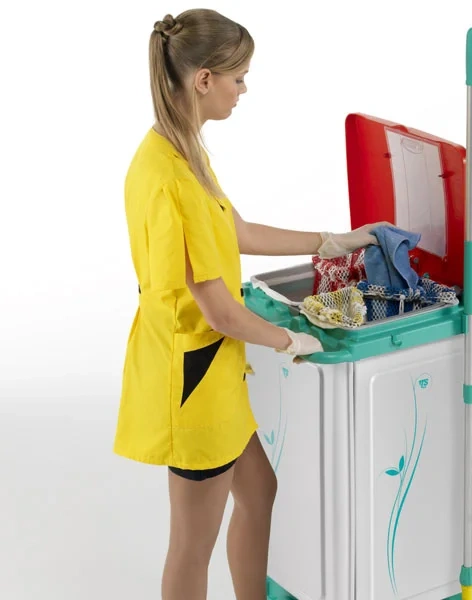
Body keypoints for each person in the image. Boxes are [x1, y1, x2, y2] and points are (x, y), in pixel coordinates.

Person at [112, 8, 386, 600]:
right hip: (192, 378)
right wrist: (291, 340)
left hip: (215, 371)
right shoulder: (171, 178)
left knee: (259, 492)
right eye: (238, 78)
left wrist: (331, 240)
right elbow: (219, 311)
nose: (244, 89)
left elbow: (235, 231)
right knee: (192, 545)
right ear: (203, 79)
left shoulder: (180, 149)